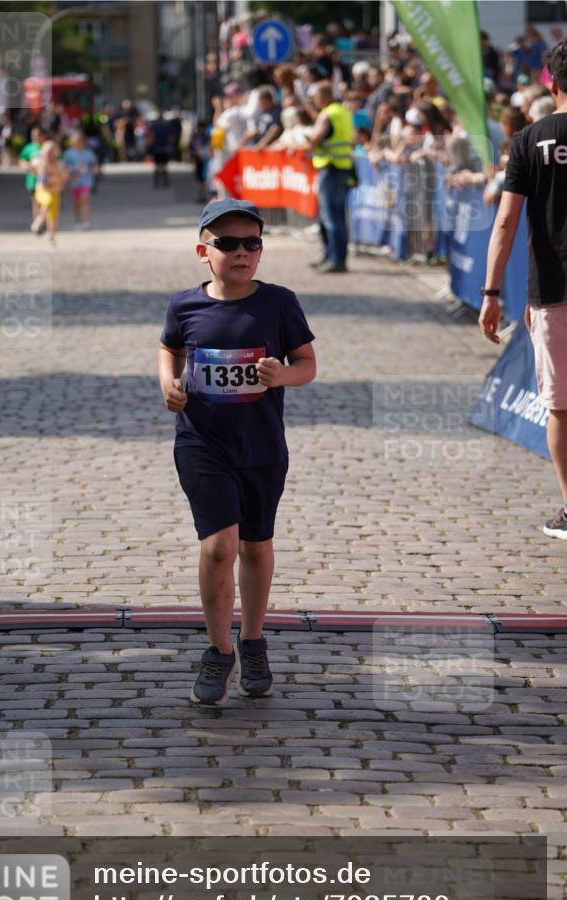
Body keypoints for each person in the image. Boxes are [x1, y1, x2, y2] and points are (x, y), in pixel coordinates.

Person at [157, 199, 316, 705]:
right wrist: (168, 383)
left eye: (252, 242)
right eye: (228, 243)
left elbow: (308, 363)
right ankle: (218, 651)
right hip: (202, 442)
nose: (242, 252)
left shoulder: (280, 303)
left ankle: (253, 641)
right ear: (203, 251)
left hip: (262, 446)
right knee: (219, 547)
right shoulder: (184, 305)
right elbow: (169, 348)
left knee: (255, 546)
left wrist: (283, 375)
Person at [479, 39, 567, 540]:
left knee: (561, 406)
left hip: (553, 290)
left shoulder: (531, 140)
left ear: (551, 84)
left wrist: (491, 293)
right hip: (550, 292)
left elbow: (505, 222)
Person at [305, 79, 355, 272]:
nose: (315, 100)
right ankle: (331, 257)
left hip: (330, 167)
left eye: (316, 97)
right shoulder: (343, 112)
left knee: (331, 218)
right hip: (342, 168)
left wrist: (306, 136)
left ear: (324, 96)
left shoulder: (328, 114)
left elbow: (315, 140)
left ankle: (335, 259)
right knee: (337, 216)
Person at [30, 140, 69, 242]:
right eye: (47, 152)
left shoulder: (59, 164)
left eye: (52, 152)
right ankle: (39, 220)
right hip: (43, 192)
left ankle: (51, 234)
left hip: (55, 191)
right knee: (48, 201)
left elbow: (64, 178)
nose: (49, 155)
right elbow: (34, 169)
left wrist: (58, 177)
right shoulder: (41, 163)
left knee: (53, 213)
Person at [62, 129, 99, 230]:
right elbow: (64, 166)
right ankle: (77, 222)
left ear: (83, 142)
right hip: (74, 182)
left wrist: (94, 170)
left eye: (79, 141)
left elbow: (94, 163)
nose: (77, 143)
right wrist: (67, 174)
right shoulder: (68, 153)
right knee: (76, 203)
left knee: (84, 200)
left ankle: (86, 221)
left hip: (86, 181)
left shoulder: (88, 153)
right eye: (75, 141)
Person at [18, 126, 45, 230]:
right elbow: (21, 160)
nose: (35, 137)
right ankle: (37, 223)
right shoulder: (28, 148)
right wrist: (27, 166)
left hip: (45, 181)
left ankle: (43, 221)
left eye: (37, 135)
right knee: (35, 202)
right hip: (32, 180)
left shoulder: (47, 146)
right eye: (33, 135)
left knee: (45, 202)